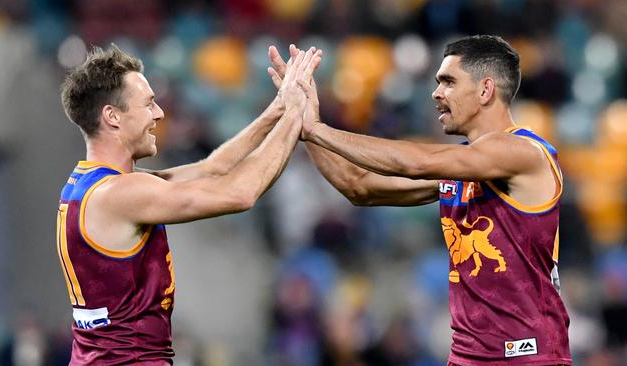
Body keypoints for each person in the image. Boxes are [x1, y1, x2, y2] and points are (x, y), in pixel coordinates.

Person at [268, 35, 571, 365]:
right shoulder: (463, 168)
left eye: (449, 82)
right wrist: (303, 120)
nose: (436, 93)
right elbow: (358, 187)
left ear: (485, 90)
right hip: (467, 356)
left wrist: (316, 129)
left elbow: (416, 163)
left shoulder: (524, 152)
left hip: (529, 356)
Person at [56, 43, 321, 365]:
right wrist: (296, 114)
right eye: (148, 104)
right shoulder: (123, 194)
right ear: (112, 116)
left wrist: (279, 109)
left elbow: (213, 168)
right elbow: (241, 194)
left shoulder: (93, 184)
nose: (159, 113)